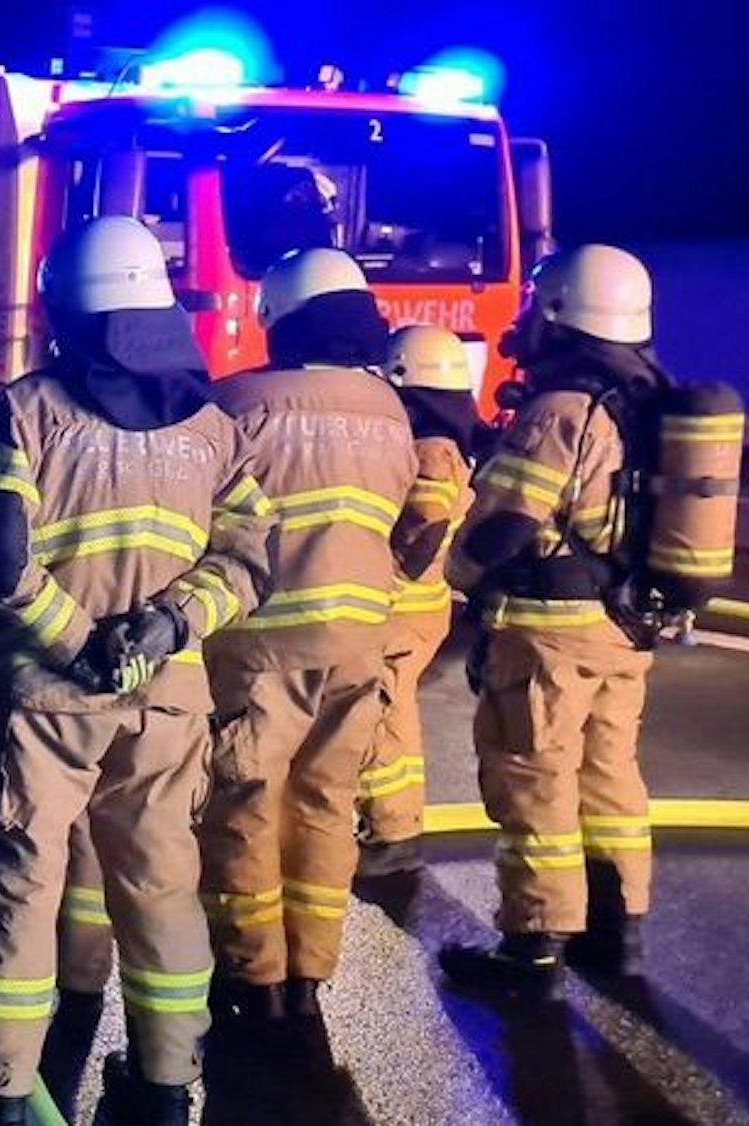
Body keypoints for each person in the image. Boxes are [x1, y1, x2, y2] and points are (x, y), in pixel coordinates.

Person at [0, 215, 276, 1126]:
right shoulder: (212, 426)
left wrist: (78, 641)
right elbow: (248, 562)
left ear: (64, 308)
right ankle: (166, 1086)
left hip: (44, 698)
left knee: (21, 880)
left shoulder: (28, 408)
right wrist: (166, 627)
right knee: (162, 885)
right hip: (166, 701)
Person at [439, 245, 671, 996]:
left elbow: (506, 521)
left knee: (534, 779)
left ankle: (533, 950)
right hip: (623, 625)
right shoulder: (644, 399)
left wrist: (457, 579)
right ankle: (618, 933)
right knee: (610, 780)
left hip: (549, 632)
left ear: (561, 311)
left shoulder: (561, 409)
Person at [198, 247, 419, 1021]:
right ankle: (309, 975)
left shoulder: (237, 404)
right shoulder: (390, 409)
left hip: (260, 643)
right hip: (361, 641)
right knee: (327, 800)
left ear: (279, 319)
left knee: (246, 800)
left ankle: (252, 974)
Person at [355, 325, 480, 879]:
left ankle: (391, 831)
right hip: (421, 603)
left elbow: (422, 527)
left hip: (402, 604)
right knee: (388, 707)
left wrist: (378, 560)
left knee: (383, 713)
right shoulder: (449, 441)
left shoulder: (430, 449)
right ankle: (389, 824)